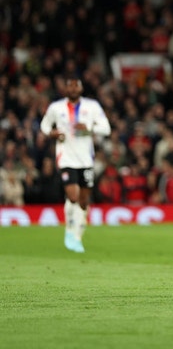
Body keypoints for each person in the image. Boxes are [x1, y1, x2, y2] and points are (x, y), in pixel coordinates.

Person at [40, 75, 111, 253]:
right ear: (65, 89)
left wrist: (89, 128)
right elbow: (44, 125)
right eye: (69, 86)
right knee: (72, 196)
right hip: (66, 158)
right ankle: (69, 230)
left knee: (83, 201)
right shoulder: (56, 107)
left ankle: (77, 235)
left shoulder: (92, 106)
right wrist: (52, 133)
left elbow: (106, 128)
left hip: (86, 159)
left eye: (75, 86)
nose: (73, 89)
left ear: (81, 88)